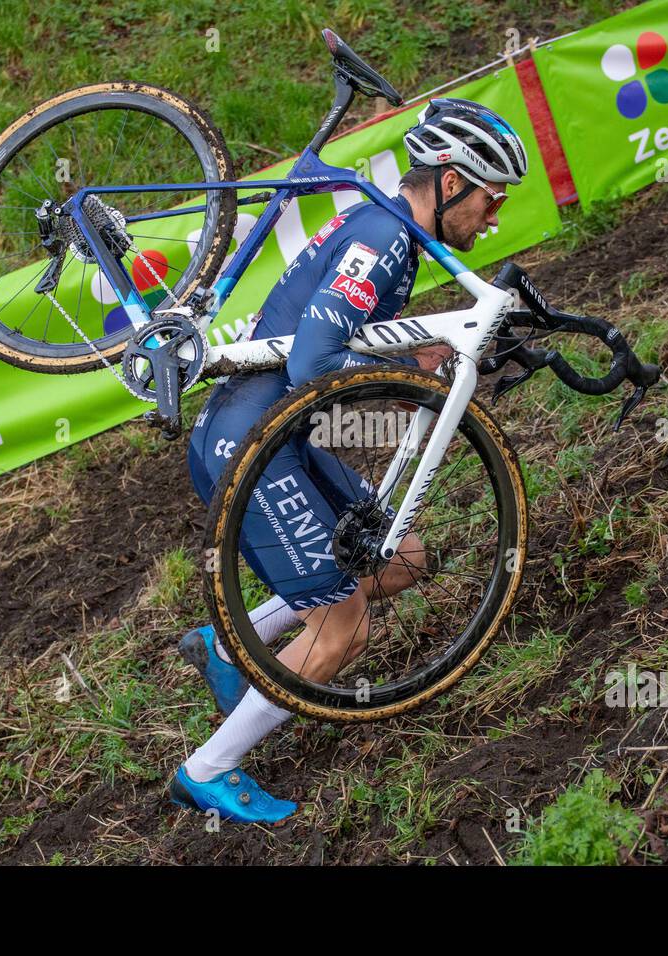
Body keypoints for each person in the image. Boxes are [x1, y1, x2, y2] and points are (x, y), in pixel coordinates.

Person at [170, 98, 529, 823]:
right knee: (345, 627)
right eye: (492, 201)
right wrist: (405, 381)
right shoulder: (386, 241)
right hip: (252, 449)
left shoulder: (386, 232)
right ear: (453, 181)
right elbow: (312, 365)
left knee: (400, 559)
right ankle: (207, 769)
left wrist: (405, 354)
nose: (493, 219)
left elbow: (329, 342)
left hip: (279, 439)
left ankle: (232, 643)